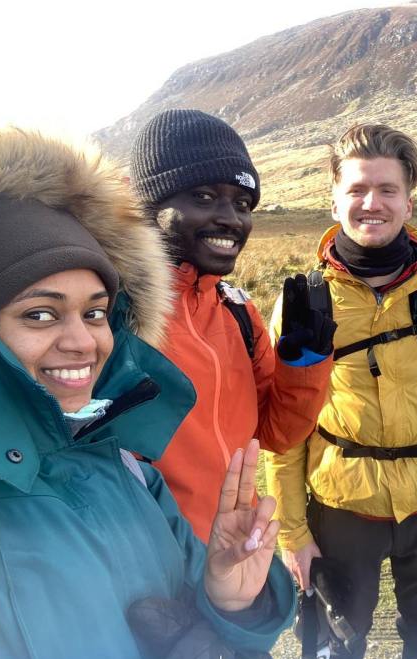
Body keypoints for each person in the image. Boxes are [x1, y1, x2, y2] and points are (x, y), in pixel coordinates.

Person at [0, 129, 295, 659]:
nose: (83, 341)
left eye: (95, 312)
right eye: (39, 314)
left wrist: (226, 597)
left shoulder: (130, 472)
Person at [265, 122, 417, 659]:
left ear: (408, 201)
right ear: (334, 200)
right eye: (356, 190)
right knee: (334, 647)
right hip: (342, 505)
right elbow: (285, 431)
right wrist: (293, 534)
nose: (371, 203)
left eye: (387, 190)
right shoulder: (305, 302)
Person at [130, 110, 335, 541]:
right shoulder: (110, 317)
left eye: (243, 204)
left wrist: (304, 365)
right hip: (146, 563)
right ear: (149, 206)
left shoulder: (237, 313)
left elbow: (278, 434)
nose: (231, 219)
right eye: (204, 197)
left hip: (233, 548)